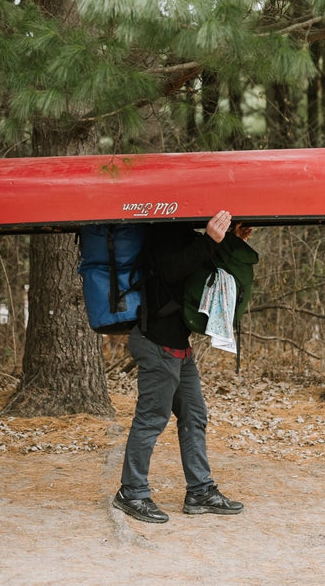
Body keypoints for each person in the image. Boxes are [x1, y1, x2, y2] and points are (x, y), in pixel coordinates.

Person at [112, 209, 253, 524]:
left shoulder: (187, 236)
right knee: (151, 419)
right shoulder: (160, 234)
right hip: (156, 344)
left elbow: (202, 271)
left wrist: (228, 240)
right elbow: (173, 269)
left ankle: (200, 491)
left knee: (194, 415)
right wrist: (211, 241)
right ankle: (131, 492)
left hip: (178, 347)